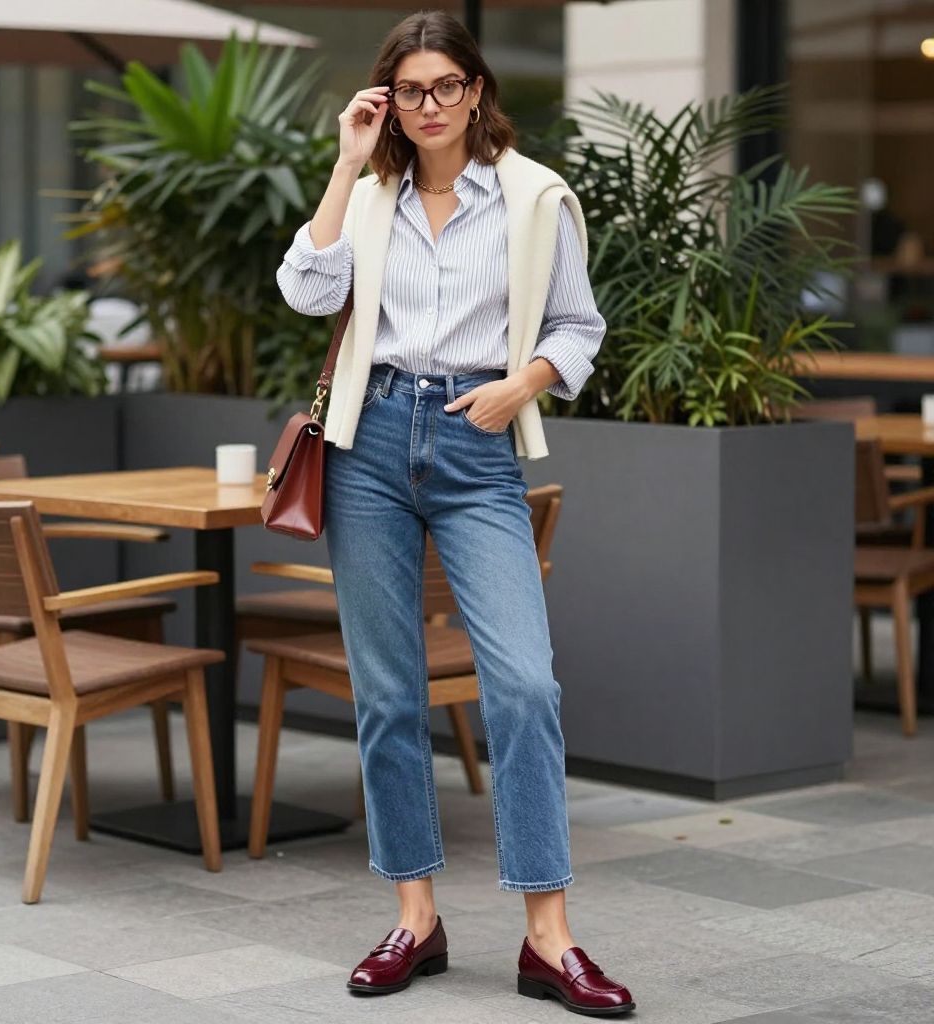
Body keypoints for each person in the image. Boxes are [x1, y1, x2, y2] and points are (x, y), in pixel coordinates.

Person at [276, 9, 634, 1017]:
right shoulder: (371, 194)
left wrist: (520, 387)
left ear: (475, 91)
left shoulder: (534, 197)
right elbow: (306, 292)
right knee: (389, 692)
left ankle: (548, 936)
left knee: (523, 685)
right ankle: (415, 917)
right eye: (410, 90)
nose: (429, 105)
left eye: (446, 86)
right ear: (387, 100)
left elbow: (577, 326)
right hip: (370, 442)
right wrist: (346, 164)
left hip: (477, 442)